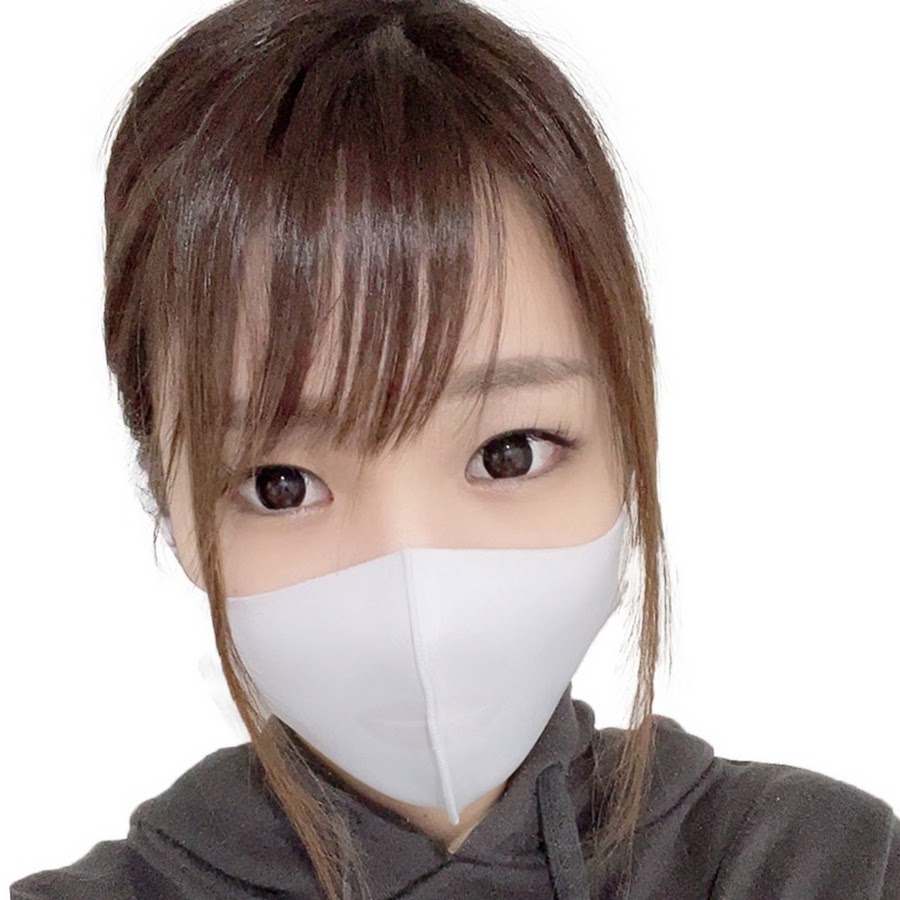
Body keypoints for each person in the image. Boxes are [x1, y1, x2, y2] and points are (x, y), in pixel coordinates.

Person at [10, 0, 899, 897]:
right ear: (165, 495)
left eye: (510, 452)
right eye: (282, 484)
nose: (417, 590)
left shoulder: (821, 867)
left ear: (629, 441)